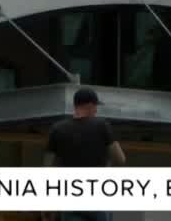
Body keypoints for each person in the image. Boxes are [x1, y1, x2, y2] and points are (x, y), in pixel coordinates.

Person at [44, 88, 125, 221]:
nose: (96, 111)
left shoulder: (57, 129)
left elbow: (48, 169)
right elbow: (120, 159)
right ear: (89, 105)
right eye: (95, 107)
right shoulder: (102, 125)